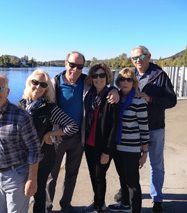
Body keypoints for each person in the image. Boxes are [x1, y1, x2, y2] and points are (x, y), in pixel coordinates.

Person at [46, 51, 119, 213]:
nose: (75, 69)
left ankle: (66, 204)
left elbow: (103, 83)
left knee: (72, 174)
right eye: (72, 65)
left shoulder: (86, 81)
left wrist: (114, 90)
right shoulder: (54, 83)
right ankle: (47, 206)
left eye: (79, 66)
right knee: (52, 175)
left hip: (79, 137)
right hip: (58, 137)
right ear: (66, 63)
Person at [113, 46, 177, 213]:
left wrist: (150, 98)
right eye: (134, 57)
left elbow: (171, 100)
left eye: (141, 56)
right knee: (129, 164)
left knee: (156, 164)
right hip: (132, 130)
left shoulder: (160, 75)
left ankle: (157, 199)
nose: (138, 60)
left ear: (148, 56)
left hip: (154, 126)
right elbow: (120, 89)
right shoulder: (129, 75)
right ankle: (127, 193)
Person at [0, 73, 41, 213]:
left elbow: (34, 149)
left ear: (7, 91)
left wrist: (32, 179)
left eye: (0, 88)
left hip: (17, 175)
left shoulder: (21, 116)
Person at [17, 69, 79, 213]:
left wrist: (49, 134)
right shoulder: (20, 105)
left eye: (43, 85)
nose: (38, 87)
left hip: (43, 158)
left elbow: (72, 126)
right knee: (20, 193)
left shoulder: (50, 108)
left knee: (39, 194)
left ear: (46, 89)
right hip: (22, 158)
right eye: (35, 82)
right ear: (29, 83)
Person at [108, 68, 150, 213]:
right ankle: (125, 203)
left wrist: (145, 152)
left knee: (132, 182)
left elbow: (144, 128)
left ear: (134, 82)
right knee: (122, 178)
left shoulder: (139, 100)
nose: (125, 82)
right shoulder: (116, 99)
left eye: (129, 79)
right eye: (122, 79)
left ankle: (135, 209)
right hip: (117, 146)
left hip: (131, 148)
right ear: (118, 82)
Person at [83, 63, 119, 213]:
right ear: (91, 78)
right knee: (93, 175)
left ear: (107, 77)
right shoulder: (89, 95)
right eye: (95, 75)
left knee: (99, 176)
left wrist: (107, 151)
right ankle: (98, 202)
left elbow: (113, 127)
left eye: (102, 75)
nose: (98, 78)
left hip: (102, 146)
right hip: (88, 144)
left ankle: (99, 207)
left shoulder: (111, 98)